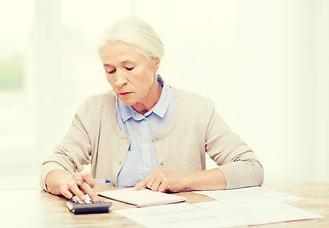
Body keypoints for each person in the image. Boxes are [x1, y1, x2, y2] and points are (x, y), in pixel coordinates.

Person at [40, 16, 263, 202]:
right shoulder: (93, 110)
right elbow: (52, 166)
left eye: (128, 67)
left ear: (155, 62)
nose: (119, 81)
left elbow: (251, 168)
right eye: (110, 70)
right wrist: (65, 182)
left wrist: (183, 180)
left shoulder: (198, 109)